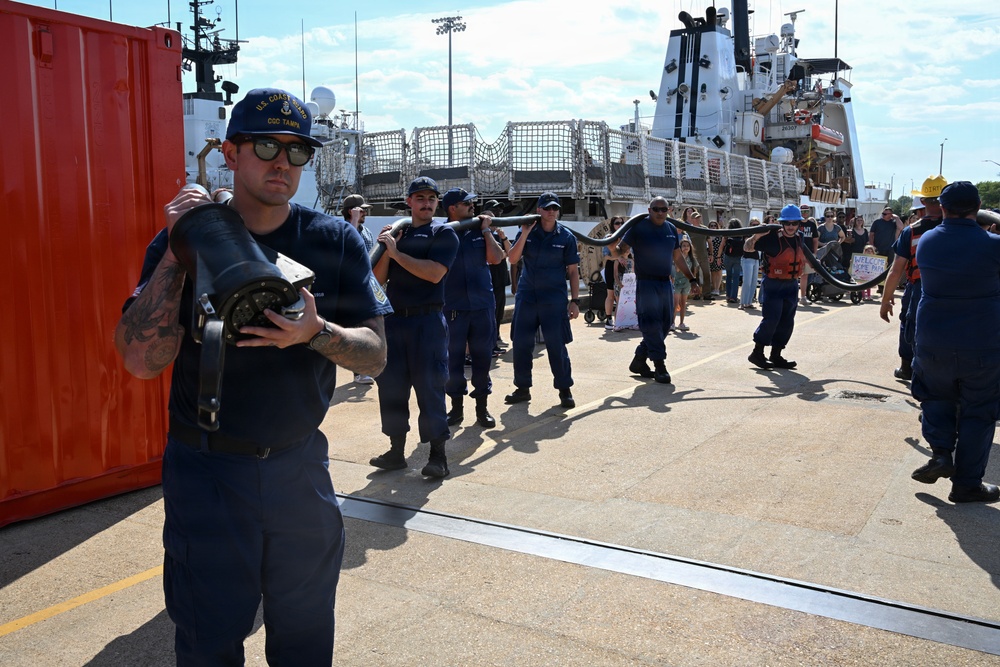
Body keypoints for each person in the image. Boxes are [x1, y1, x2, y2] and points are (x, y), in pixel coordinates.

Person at [114, 88, 389, 665]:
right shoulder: (183, 241)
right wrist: (180, 245)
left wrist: (316, 334)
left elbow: (375, 355)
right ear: (230, 153)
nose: (282, 163)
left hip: (299, 469)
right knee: (208, 641)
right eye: (266, 145)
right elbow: (141, 361)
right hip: (208, 471)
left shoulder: (333, 240)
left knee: (306, 636)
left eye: (297, 151)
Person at [909, 181, 1000, 504]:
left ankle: (941, 453)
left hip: (933, 340)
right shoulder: (992, 245)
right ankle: (966, 485)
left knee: (935, 399)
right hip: (982, 342)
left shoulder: (928, 241)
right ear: (977, 208)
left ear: (942, 208)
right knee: (978, 412)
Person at [370, 176, 460, 477]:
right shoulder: (399, 233)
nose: (426, 203)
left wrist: (397, 254)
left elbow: (434, 274)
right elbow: (379, 279)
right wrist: (384, 249)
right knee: (391, 388)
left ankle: (437, 456)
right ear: (409, 201)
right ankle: (396, 451)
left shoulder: (444, 233)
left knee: (430, 387)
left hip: (427, 322)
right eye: (420, 198)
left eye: (431, 199)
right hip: (395, 321)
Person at [504, 192, 581, 408]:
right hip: (528, 298)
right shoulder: (526, 230)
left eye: (554, 208)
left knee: (557, 346)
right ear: (538, 210)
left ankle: (565, 390)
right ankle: (522, 388)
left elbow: (573, 271)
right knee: (521, 344)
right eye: (547, 208)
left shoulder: (566, 237)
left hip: (554, 300)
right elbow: (512, 258)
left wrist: (574, 300)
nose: (551, 211)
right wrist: (526, 233)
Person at [610, 196, 697, 383]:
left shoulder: (671, 229)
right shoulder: (638, 227)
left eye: (663, 209)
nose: (660, 213)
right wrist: (612, 247)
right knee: (651, 324)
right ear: (649, 210)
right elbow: (620, 250)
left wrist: (692, 279)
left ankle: (639, 359)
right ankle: (660, 365)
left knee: (666, 324)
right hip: (646, 283)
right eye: (656, 209)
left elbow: (678, 258)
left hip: (665, 283)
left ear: (669, 211)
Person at [441, 188, 506, 429]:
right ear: (452, 208)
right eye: (466, 203)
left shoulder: (480, 228)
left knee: (482, 358)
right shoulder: (442, 232)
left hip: (482, 305)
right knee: (453, 360)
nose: (472, 206)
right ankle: (456, 409)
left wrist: (487, 230)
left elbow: (497, 258)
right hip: (454, 307)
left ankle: (482, 409)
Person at [879, 177, 946, 381]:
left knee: (911, 326)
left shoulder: (911, 231)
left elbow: (895, 270)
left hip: (919, 289)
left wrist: (885, 300)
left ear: (923, 202)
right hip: (951, 288)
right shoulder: (963, 227)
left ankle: (908, 368)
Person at [745, 204, 806, 370]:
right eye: (788, 223)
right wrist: (756, 236)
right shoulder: (772, 238)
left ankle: (776, 355)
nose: (791, 226)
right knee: (772, 318)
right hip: (774, 284)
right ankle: (757, 353)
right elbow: (747, 247)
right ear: (782, 223)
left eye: (794, 223)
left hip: (792, 284)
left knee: (787, 321)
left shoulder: (800, 237)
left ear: (799, 224)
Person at [343, 193, 378, 384]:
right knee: (356, 328)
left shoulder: (366, 231)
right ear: (351, 211)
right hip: (351, 286)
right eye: (361, 209)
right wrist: (354, 221)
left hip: (366, 284)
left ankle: (364, 367)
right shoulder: (345, 228)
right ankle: (358, 371)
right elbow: (348, 244)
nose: (365, 212)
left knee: (368, 327)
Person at [484, 201, 512, 353]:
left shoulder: (499, 235)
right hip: (489, 280)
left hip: (500, 279)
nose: (498, 215)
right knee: (491, 313)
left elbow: (509, 253)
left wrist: (504, 237)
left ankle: (496, 337)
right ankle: (491, 342)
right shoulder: (483, 235)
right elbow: (498, 256)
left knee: (499, 311)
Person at [870, 203, 907, 293]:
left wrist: (896, 217)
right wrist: (872, 245)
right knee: (879, 269)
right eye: (883, 213)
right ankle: (880, 287)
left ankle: (886, 287)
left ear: (891, 215)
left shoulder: (893, 223)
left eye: (886, 214)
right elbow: (871, 234)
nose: (884, 215)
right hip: (879, 248)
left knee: (888, 269)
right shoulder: (877, 222)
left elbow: (901, 227)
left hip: (890, 249)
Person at [682, 207, 713, 302]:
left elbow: (710, 242)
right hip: (693, 256)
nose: (698, 219)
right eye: (696, 218)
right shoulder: (689, 229)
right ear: (692, 219)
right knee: (695, 276)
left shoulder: (705, 229)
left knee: (707, 274)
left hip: (704, 255)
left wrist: (711, 254)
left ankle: (707, 294)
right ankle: (697, 294)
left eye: (699, 217)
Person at [603, 216, 626, 329]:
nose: (619, 225)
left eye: (622, 223)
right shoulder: (608, 237)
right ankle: (608, 319)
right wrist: (618, 258)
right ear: (612, 225)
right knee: (611, 294)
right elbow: (606, 256)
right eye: (617, 223)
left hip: (624, 268)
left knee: (623, 295)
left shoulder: (626, 237)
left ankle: (622, 319)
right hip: (611, 267)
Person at [672, 234, 697, 330]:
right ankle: (672, 323)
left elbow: (694, 272)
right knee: (675, 304)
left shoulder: (692, 259)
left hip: (686, 284)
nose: (686, 247)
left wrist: (693, 284)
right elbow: (678, 270)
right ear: (680, 247)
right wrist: (681, 258)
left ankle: (681, 323)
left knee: (683, 303)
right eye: (684, 246)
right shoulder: (677, 258)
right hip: (677, 282)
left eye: (687, 246)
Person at [739, 217, 763, 310]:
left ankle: (748, 302)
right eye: (753, 225)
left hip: (756, 259)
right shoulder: (748, 233)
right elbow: (749, 246)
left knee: (753, 282)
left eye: (757, 225)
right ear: (750, 225)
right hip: (747, 258)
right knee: (747, 282)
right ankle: (742, 303)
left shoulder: (760, 235)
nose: (755, 226)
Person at [798, 213, 819, 305]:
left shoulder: (812, 224)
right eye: (802, 211)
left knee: (805, 275)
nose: (805, 213)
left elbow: (815, 239)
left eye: (806, 211)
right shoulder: (796, 223)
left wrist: (814, 253)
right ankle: (793, 296)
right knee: (794, 275)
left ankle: (803, 297)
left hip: (808, 252)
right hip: (796, 252)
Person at [722, 218, 744, 304]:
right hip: (738, 256)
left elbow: (722, 245)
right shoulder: (742, 233)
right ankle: (733, 297)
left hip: (728, 256)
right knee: (736, 277)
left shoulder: (727, 234)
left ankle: (728, 295)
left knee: (729, 276)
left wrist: (719, 256)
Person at [707, 220, 725, 297]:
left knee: (718, 272)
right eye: (711, 225)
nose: (713, 227)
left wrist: (719, 256)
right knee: (713, 272)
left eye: (715, 225)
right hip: (711, 255)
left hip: (719, 255)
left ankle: (717, 288)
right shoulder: (708, 235)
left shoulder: (720, 235)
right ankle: (714, 288)